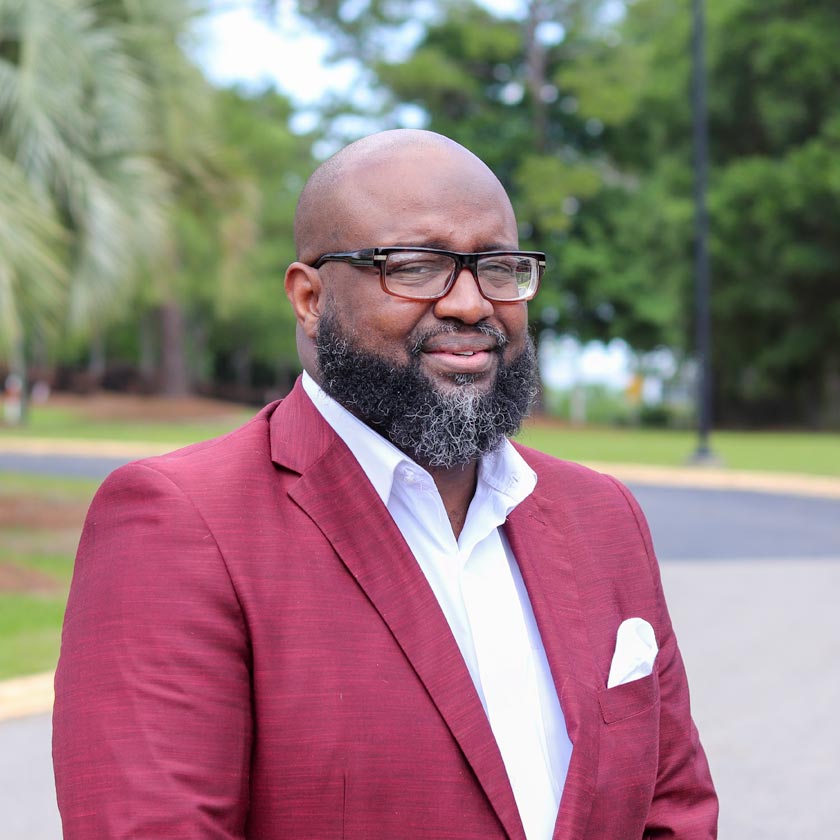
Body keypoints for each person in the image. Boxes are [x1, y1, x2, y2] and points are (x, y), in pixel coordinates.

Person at [53, 129, 718, 839]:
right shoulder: (181, 523)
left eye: (498, 267)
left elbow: (671, 809)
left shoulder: (601, 515)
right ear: (309, 298)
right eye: (415, 265)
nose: (470, 303)